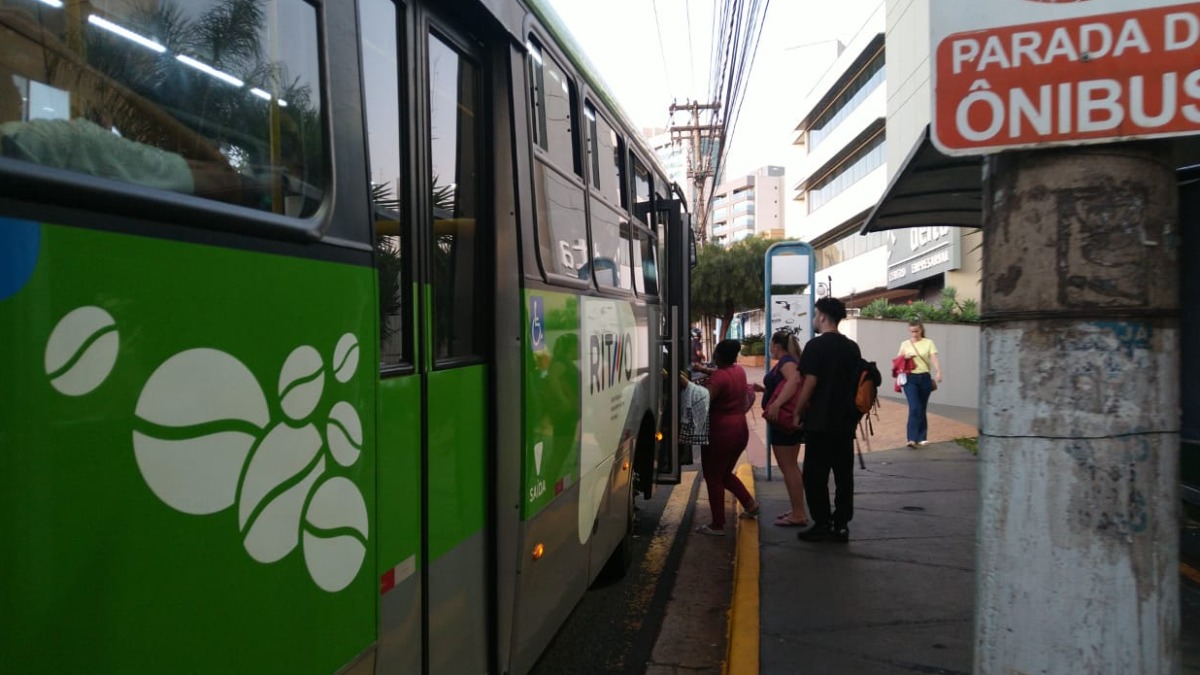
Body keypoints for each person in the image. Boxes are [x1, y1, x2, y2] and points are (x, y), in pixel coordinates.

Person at [792, 297, 861, 543]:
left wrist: (798, 411)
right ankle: (841, 524)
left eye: (815, 314)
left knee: (814, 476)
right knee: (843, 476)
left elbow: (810, 382)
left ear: (822, 316)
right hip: (844, 423)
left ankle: (821, 523)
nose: (813, 319)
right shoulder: (852, 348)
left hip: (820, 424)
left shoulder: (815, 346)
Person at [695, 339, 759, 536]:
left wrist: (685, 384)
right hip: (740, 429)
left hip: (720, 432)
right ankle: (749, 504)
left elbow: (704, 399)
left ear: (718, 355)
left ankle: (717, 524)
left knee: (713, 477)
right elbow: (722, 376)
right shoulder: (738, 370)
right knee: (724, 474)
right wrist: (703, 370)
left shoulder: (719, 379)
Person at [753, 331, 808, 527]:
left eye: (770, 344)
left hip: (783, 423)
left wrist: (777, 404)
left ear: (776, 345)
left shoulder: (786, 362)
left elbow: (794, 381)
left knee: (789, 468)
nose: (769, 348)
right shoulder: (790, 360)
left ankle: (799, 513)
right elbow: (785, 384)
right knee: (791, 467)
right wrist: (764, 389)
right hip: (788, 422)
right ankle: (796, 509)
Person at [897, 319, 942, 448]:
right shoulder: (905, 344)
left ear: (921, 330)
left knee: (922, 407)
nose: (914, 334)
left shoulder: (929, 343)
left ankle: (922, 437)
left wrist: (938, 371)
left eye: (916, 331)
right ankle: (911, 438)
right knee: (914, 406)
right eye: (912, 332)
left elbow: (933, 357)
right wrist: (904, 357)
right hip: (910, 378)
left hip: (925, 378)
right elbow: (897, 361)